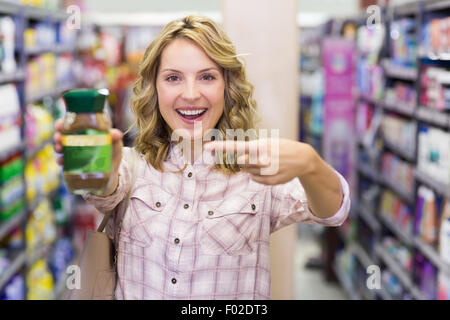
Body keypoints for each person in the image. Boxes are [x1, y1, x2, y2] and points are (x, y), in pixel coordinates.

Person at [53, 15, 350, 300]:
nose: (191, 94)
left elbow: (333, 211)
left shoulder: (256, 167)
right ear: (154, 89)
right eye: (173, 78)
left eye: (207, 76)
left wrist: (311, 164)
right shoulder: (133, 165)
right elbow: (105, 192)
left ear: (227, 86)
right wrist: (97, 168)